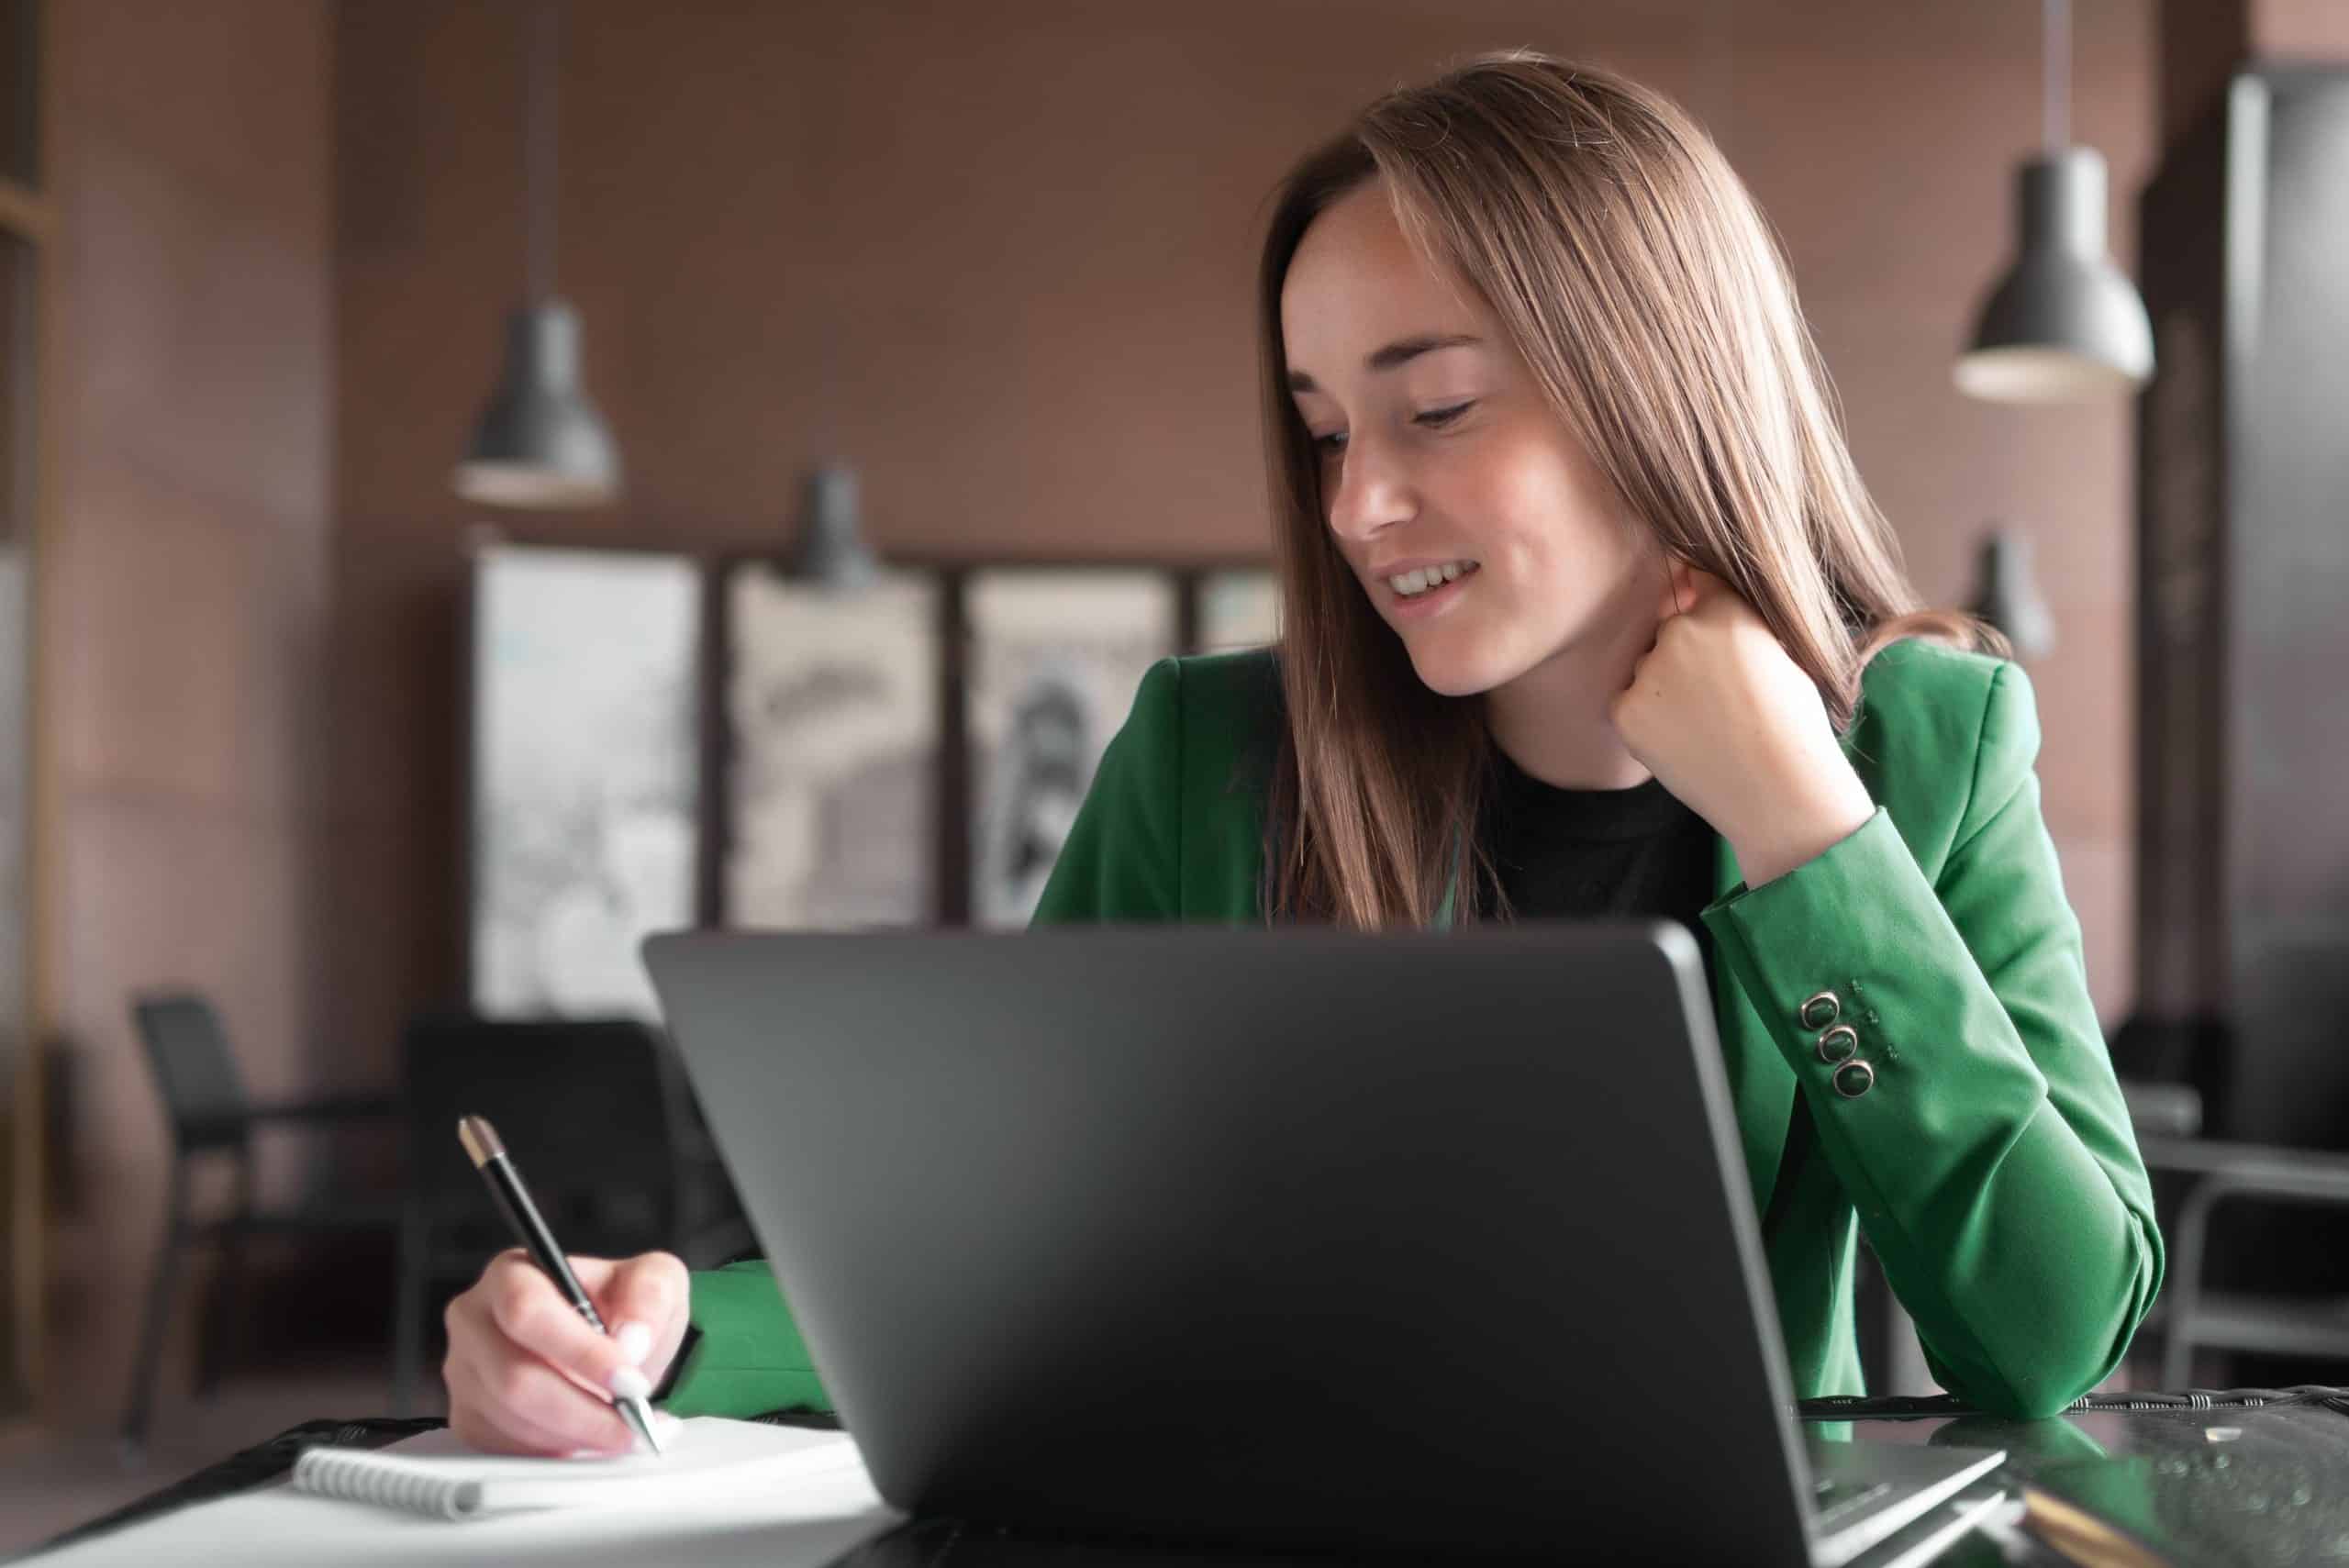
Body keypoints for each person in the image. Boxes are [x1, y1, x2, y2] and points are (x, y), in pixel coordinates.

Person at [439, 50, 2162, 1456]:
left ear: (1657, 383)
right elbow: (980, 1239)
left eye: (1437, 408)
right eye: (1327, 428)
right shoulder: (1212, 753)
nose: (1358, 504)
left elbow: (2049, 1335)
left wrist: (1808, 835)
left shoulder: (1928, 747)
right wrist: (654, 1322)